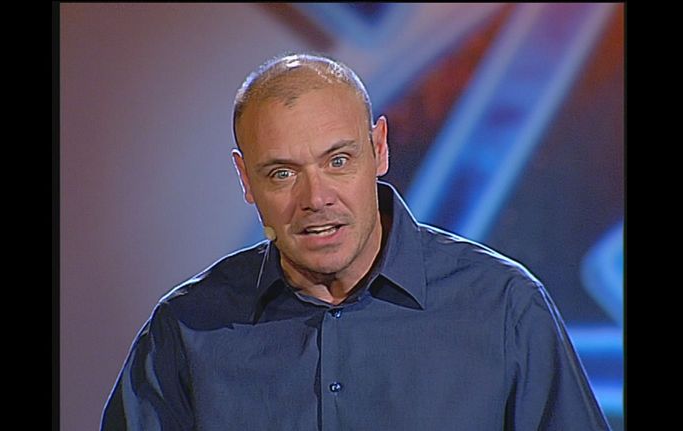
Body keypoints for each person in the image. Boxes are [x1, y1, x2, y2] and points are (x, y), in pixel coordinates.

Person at [101, 53, 612, 430]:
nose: (316, 198)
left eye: (338, 161)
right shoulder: (188, 329)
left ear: (379, 148)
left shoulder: (503, 307)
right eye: (282, 173)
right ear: (245, 179)